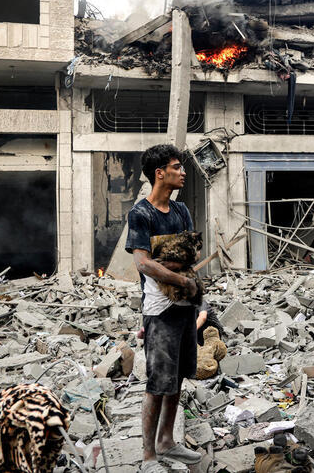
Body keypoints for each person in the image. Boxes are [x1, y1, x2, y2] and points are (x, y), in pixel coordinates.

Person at [125, 144, 202, 472]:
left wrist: (179, 270)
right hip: (159, 310)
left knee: (180, 377)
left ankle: (167, 441)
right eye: (176, 167)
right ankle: (148, 457)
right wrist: (180, 278)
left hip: (185, 307)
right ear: (160, 173)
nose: (183, 172)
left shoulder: (181, 210)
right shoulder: (141, 214)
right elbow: (143, 263)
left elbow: (191, 251)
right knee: (158, 383)